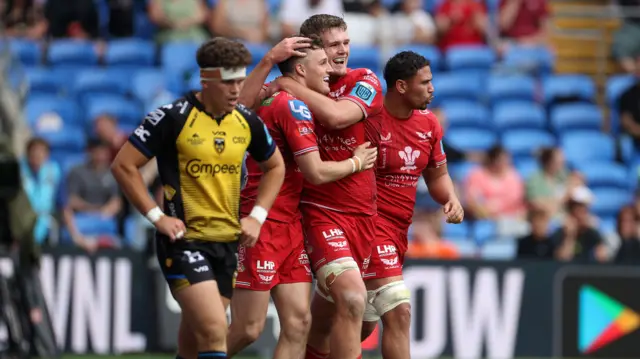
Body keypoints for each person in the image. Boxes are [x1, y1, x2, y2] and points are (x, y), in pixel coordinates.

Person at [110, 38, 286, 359]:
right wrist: (156, 216)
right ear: (206, 81)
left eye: (240, 81)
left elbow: (275, 166)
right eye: (228, 82)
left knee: (193, 343)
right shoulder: (172, 117)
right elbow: (123, 165)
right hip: (184, 242)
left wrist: (257, 216)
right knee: (216, 330)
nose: (236, 89)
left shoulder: (245, 121)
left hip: (227, 243)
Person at [241, 14, 384, 359]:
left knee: (315, 325)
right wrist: (270, 62)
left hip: (361, 217)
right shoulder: (286, 94)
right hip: (310, 215)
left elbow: (337, 117)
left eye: (346, 43)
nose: (342, 51)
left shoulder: (363, 79)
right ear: (311, 48)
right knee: (253, 327)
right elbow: (240, 109)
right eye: (332, 45)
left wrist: (291, 84)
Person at [360, 51, 464, 359]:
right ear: (402, 86)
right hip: (367, 225)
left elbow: (438, 174)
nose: (432, 88)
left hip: (397, 232)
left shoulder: (429, 125)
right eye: (426, 82)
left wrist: (451, 198)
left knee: (360, 325)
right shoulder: (368, 120)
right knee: (399, 309)